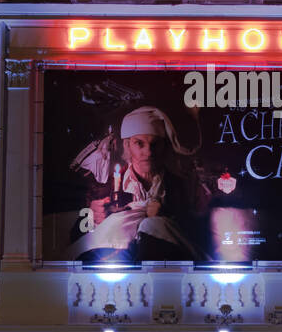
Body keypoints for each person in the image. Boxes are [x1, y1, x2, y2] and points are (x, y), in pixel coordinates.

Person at [68, 106, 209, 261]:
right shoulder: (105, 187)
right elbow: (75, 238)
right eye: (139, 143)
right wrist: (92, 217)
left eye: (155, 144)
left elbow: (199, 236)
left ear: (164, 146)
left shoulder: (182, 186)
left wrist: (167, 216)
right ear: (127, 145)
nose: (148, 152)